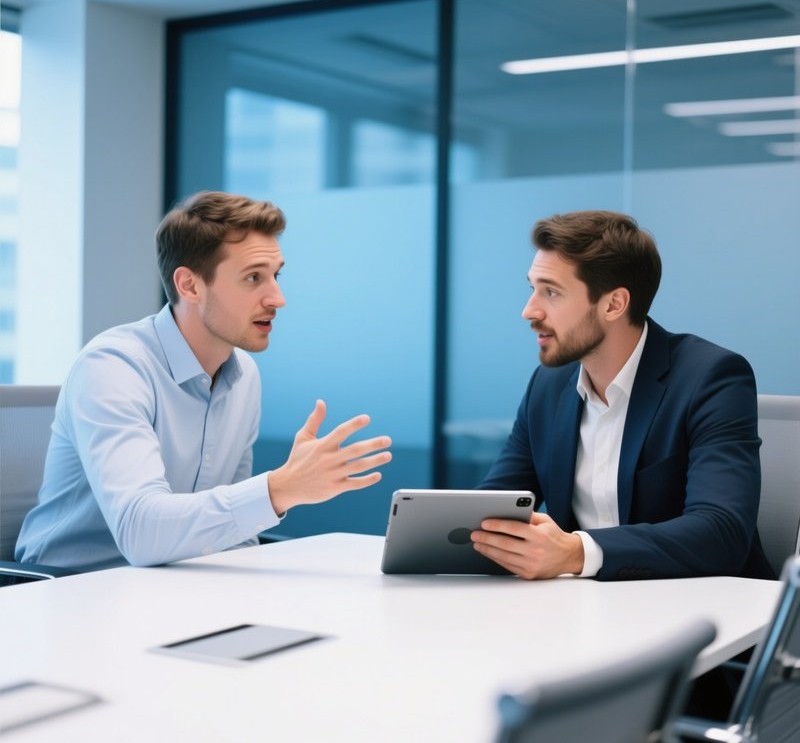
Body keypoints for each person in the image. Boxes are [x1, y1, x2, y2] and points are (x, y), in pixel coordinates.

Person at [16, 191, 392, 571]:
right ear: (190, 286)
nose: (278, 298)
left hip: (177, 586)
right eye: (253, 278)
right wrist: (280, 488)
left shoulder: (244, 376)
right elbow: (140, 532)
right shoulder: (113, 367)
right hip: (67, 592)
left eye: (275, 276)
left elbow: (235, 533)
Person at [471, 210, 773, 581]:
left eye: (551, 292)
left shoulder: (711, 378)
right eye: (532, 288)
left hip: (705, 614)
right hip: (582, 613)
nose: (529, 310)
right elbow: (491, 510)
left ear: (614, 304)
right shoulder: (547, 386)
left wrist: (577, 552)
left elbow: (721, 533)